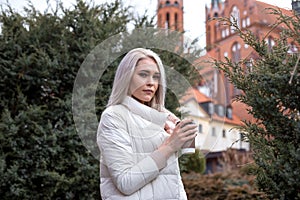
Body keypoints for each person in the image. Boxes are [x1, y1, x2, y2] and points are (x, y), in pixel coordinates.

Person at [97, 48, 197, 199]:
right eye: (143, 75)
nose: (151, 83)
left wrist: (185, 135)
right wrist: (170, 145)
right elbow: (125, 182)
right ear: (127, 77)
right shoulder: (114, 117)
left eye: (156, 77)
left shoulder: (165, 118)